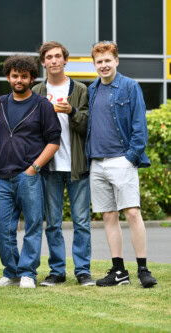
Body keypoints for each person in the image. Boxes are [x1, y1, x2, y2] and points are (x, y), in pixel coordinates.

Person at [87, 41, 157, 288]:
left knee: (133, 213)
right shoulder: (92, 90)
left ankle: (143, 269)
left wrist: (130, 158)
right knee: (108, 216)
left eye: (108, 60)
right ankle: (119, 272)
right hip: (97, 162)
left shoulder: (129, 86)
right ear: (94, 64)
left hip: (122, 160)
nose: (104, 65)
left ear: (116, 61)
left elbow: (140, 127)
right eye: (99, 61)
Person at [0, 55, 61, 289]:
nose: (19, 80)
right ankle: (11, 271)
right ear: (8, 77)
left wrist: (34, 168)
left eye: (24, 76)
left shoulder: (42, 105)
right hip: (1, 176)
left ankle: (28, 273)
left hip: (29, 175)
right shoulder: (0, 103)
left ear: (32, 78)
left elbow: (54, 141)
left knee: (32, 226)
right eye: (14, 76)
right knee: (1, 228)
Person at [32, 42, 94, 287]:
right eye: (49, 57)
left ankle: (83, 271)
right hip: (49, 168)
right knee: (53, 223)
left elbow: (88, 124)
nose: (54, 60)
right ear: (43, 62)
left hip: (77, 165)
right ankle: (57, 271)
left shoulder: (79, 89)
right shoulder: (37, 91)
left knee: (81, 221)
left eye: (58, 56)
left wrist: (72, 111)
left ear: (65, 60)